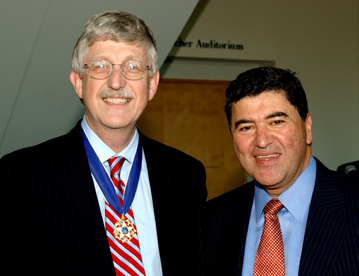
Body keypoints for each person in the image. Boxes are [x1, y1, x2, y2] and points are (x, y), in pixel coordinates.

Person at [1, 11, 207, 276]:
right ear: (78, 82)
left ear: (152, 84)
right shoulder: (20, 176)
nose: (116, 82)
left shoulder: (185, 175)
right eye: (101, 66)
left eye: (132, 67)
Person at [200, 67, 359, 276]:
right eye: (246, 127)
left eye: (276, 122)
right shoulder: (209, 221)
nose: (262, 141)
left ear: (307, 128)